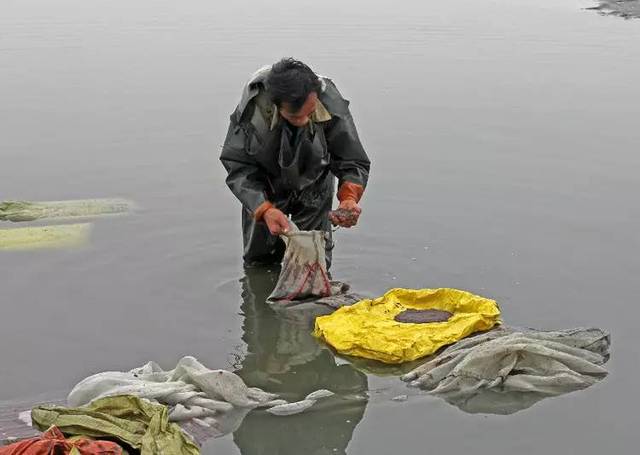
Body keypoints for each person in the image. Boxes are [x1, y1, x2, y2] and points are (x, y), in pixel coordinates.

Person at [220, 58, 371, 269]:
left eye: (309, 114)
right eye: (294, 116)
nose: (302, 121)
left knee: (313, 262)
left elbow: (353, 160)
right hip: (265, 186)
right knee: (259, 262)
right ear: (276, 105)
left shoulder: (330, 105)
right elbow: (238, 166)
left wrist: (349, 198)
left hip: (314, 183)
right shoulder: (253, 112)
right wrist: (264, 209)